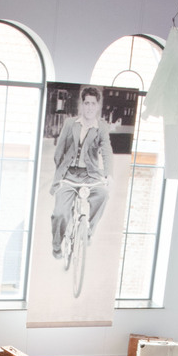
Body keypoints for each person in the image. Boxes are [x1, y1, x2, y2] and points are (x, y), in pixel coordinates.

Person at [50, 86, 111, 264]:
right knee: (60, 213)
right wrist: (60, 173)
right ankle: (56, 245)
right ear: (82, 105)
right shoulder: (71, 123)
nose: (89, 107)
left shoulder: (101, 127)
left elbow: (106, 151)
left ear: (97, 106)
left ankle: (87, 231)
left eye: (93, 104)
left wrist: (108, 174)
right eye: (86, 103)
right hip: (69, 174)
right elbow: (59, 151)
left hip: (90, 175)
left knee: (103, 194)